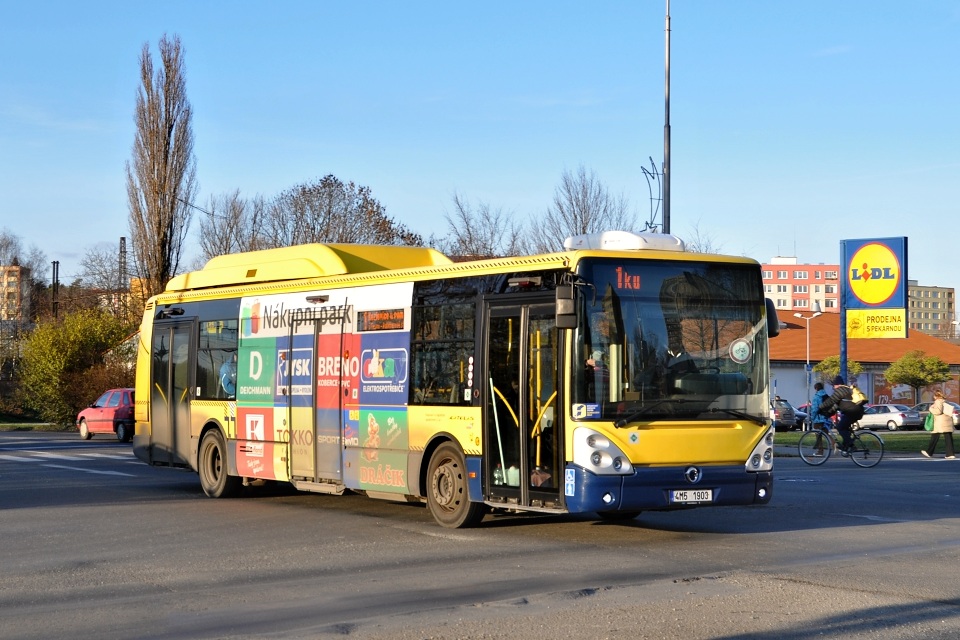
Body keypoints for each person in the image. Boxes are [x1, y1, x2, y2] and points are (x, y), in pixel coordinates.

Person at [818, 375, 861, 453]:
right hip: (856, 411)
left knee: (840, 427)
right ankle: (846, 446)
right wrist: (827, 414)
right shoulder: (846, 390)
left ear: (837, 384)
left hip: (852, 412)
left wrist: (820, 407)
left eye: (834, 386)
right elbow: (836, 406)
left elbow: (831, 400)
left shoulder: (841, 390)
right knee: (844, 428)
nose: (833, 388)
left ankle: (851, 445)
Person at [921, 390, 956, 459]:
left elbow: (938, 411)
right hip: (947, 422)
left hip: (940, 423)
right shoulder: (945, 401)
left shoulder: (938, 401)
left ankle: (929, 452)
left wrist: (931, 408)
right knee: (948, 438)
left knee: (934, 436)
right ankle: (950, 454)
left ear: (936, 396)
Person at [809, 381, 830, 455]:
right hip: (825, 418)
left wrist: (812, 417)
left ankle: (820, 451)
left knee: (818, 435)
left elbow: (814, 409)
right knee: (826, 434)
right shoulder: (826, 395)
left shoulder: (817, 396)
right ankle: (835, 444)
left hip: (818, 419)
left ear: (816, 388)